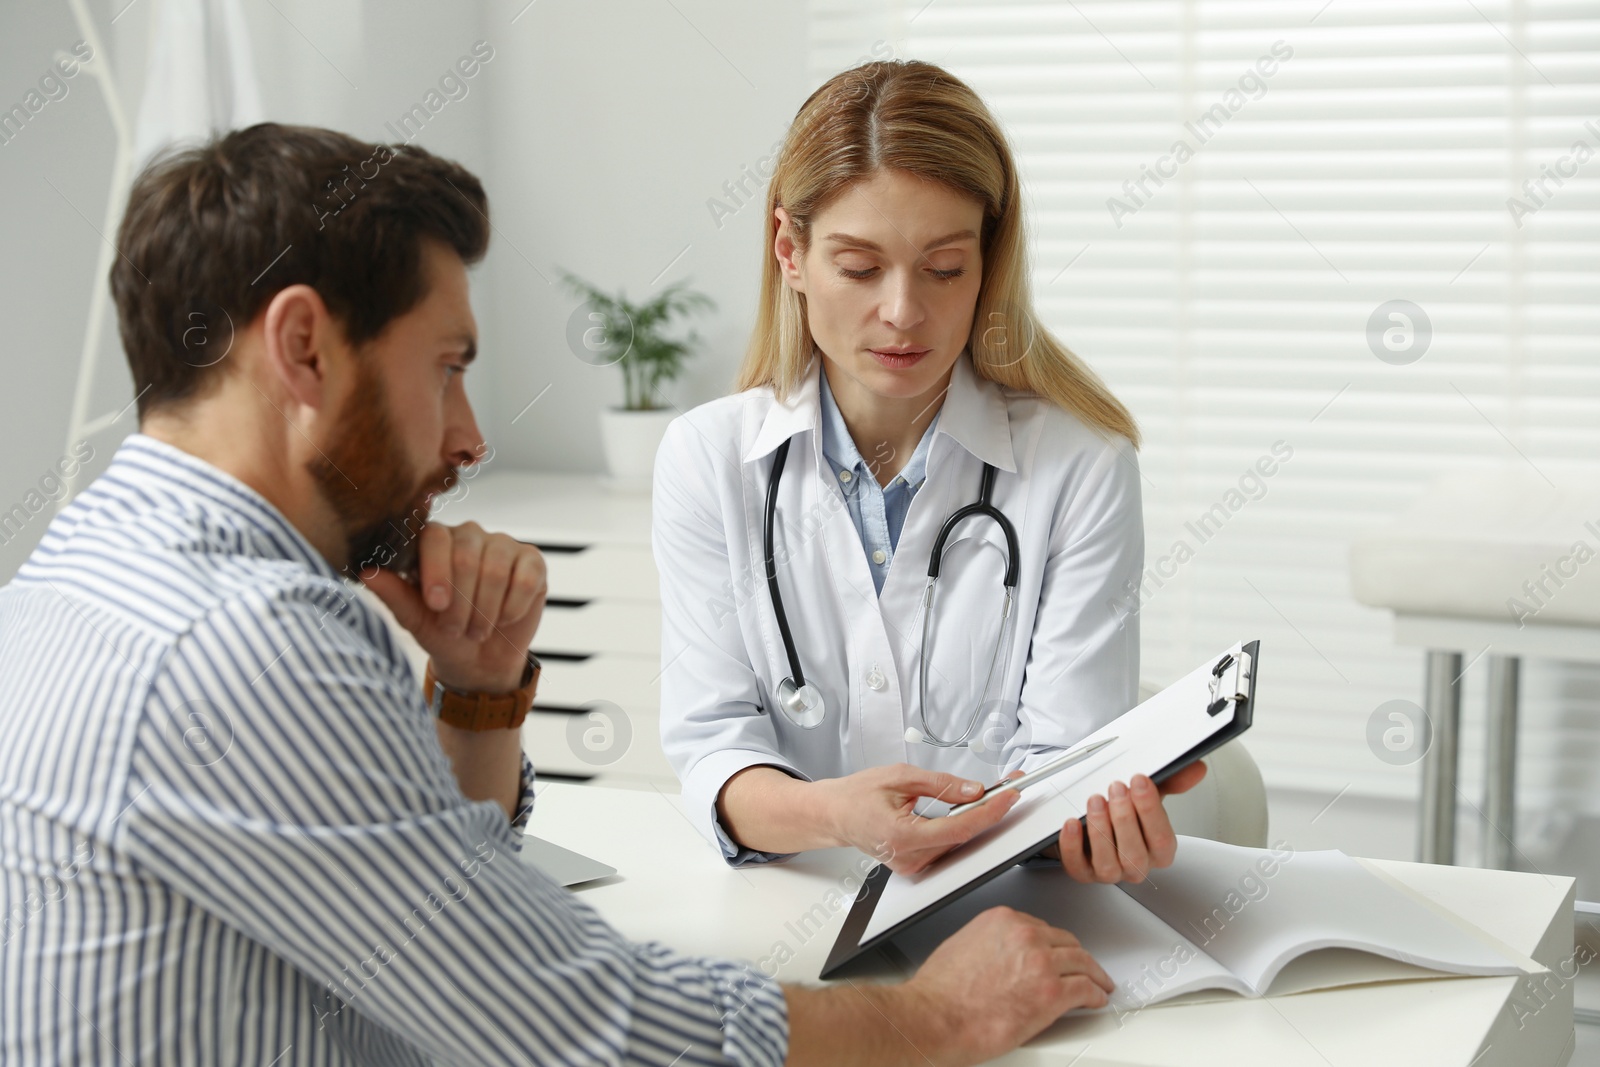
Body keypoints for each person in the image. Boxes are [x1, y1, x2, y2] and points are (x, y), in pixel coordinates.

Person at [0, 122, 1115, 1067]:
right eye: (447, 365)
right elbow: (570, 1024)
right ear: (302, 347)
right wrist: (935, 1014)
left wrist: (481, 691)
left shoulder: (69, 579)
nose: (471, 436)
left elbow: (426, 910)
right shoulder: (252, 642)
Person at [655, 59, 1205, 879]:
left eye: (944, 268)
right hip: (788, 913)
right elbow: (714, 749)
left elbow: (1062, 761)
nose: (904, 311)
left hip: (1007, 910)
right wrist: (836, 814)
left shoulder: (1082, 467)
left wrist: (1092, 825)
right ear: (789, 251)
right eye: (860, 267)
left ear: (988, 265)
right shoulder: (708, 459)